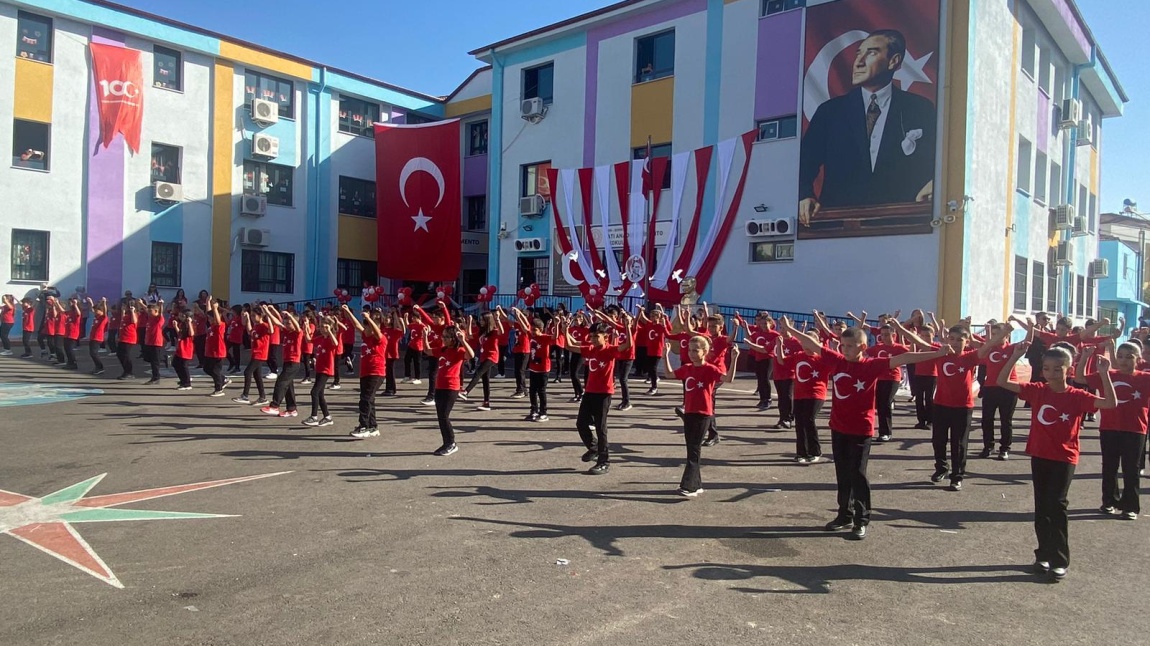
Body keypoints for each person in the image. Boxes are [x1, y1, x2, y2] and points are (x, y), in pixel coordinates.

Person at [779, 316, 948, 540]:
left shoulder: (872, 366)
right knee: (842, 474)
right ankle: (844, 515)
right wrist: (790, 329)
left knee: (858, 474)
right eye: (842, 345)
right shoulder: (837, 360)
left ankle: (861, 519)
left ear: (863, 347)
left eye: (850, 346)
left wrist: (938, 353)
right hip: (838, 427)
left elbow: (905, 357)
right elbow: (813, 344)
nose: (845, 349)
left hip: (861, 429)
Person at [996, 341, 1116, 582]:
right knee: (1042, 506)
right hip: (1040, 455)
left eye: (1058, 368)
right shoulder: (1038, 390)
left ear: (1069, 371)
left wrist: (1104, 375)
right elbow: (1002, 382)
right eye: (1047, 368)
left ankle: (1059, 560)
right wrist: (1014, 357)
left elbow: (1110, 403)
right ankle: (1043, 555)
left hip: (1064, 457)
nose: (1051, 373)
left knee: (1057, 504)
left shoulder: (1078, 396)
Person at [798, 29, 937, 226]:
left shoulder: (919, 108)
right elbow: (804, 163)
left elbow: (937, 160)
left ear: (893, 61)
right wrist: (805, 196)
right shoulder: (830, 112)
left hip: (901, 225)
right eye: (858, 53)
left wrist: (935, 184)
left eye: (871, 53)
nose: (858, 62)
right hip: (837, 226)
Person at [1074, 341, 1150, 521]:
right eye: (1121, 356)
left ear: (1138, 359)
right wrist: (1085, 357)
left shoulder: (1145, 378)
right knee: (1109, 467)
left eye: (1129, 357)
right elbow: (1079, 378)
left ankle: (1130, 507)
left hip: (1135, 429)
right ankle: (1109, 502)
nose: (1124, 360)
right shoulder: (1107, 375)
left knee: (1131, 469)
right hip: (1109, 428)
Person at [662, 334, 739, 496]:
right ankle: (696, 485)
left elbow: (728, 379)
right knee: (691, 449)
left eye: (696, 350)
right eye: (690, 350)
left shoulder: (710, 369)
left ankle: (689, 486)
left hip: (703, 414)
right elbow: (669, 374)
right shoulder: (687, 368)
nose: (691, 353)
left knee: (694, 450)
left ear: (705, 351)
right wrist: (665, 356)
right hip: (689, 413)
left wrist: (734, 359)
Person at [565, 320, 631, 474]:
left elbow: (627, 345)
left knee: (601, 428)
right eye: (592, 336)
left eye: (597, 336)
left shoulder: (610, 350)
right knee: (581, 423)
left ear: (605, 337)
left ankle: (604, 461)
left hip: (603, 393)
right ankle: (594, 447)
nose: (594, 339)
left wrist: (627, 326)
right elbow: (568, 346)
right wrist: (565, 329)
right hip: (589, 392)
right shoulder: (590, 349)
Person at [423, 322, 475, 456]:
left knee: (444, 416)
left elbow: (471, 355)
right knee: (441, 416)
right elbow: (427, 351)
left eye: (446, 337)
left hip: (451, 387)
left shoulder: (459, 351)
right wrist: (424, 336)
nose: (443, 339)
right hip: (439, 386)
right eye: (443, 336)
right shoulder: (443, 350)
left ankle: (451, 443)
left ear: (453, 339)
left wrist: (463, 340)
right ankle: (446, 442)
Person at [978, 320, 1026, 459]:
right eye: (993, 334)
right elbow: (972, 343)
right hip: (990, 388)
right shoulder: (988, 349)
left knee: (1006, 420)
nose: (996, 337)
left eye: (999, 334)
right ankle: (988, 446)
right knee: (987, 419)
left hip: (1008, 388)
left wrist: (1029, 327)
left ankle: (1004, 448)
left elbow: (1028, 339)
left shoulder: (1011, 348)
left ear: (1006, 336)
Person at [343, 304, 385, 438]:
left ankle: (364, 426)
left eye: (367, 327)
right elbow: (356, 325)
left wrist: (369, 318)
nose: (365, 330)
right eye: (365, 327)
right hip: (365, 373)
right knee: (370, 400)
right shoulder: (366, 337)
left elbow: (377, 332)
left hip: (376, 373)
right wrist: (348, 312)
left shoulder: (380, 339)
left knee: (365, 399)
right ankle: (373, 426)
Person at [864, 324, 910, 442]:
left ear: (893, 335)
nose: (883, 337)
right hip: (879, 378)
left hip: (892, 378)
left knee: (885, 403)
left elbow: (912, 353)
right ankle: (877, 430)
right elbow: (864, 353)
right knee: (879, 404)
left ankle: (886, 432)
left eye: (886, 334)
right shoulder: (877, 347)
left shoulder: (898, 348)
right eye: (882, 335)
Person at [512, 307, 555, 422]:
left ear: (540, 329)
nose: (532, 332)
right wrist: (518, 314)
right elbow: (524, 327)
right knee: (532, 391)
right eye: (532, 330)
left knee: (541, 391)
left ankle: (543, 412)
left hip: (543, 369)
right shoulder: (531, 335)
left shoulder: (545, 338)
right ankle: (533, 410)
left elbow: (555, 337)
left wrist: (558, 324)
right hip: (533, 368)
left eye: (535, 330)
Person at [461, 309, 506, 411]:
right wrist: (469, 322)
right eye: (480, 320)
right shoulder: (481, 332)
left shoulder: (493, 332)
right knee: (485, 380)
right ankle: (486, 402)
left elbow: (501, 331)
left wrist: (498, 319)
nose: (481, 322)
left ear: (488, 320)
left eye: (483, 320)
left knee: (478, 373)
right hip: (483, 356)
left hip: (492, 357)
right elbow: (469, 336)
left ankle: (466, 391)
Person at [261, 307, 302, 418]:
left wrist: (289, 315)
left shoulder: (297, 333)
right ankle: (292, 409)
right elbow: (277, 323)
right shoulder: (286, 331)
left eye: (289, 323)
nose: (287, 325)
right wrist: (268, 312)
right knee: (288, 386)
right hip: (287, 362)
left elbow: (297, 326)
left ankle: (274, 406)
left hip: (294, 362)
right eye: (286, 323)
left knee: (281, 382)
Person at [302, 314, 337, 427]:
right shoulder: (320, 339)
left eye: (325, 327)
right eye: (321, 326)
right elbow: (308, 340)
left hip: (326, 370)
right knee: (320, 394)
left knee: (314, 392)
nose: (322, 329)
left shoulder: (331, 339)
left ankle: (314, 416)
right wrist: (306, 327)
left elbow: (335, 343)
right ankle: (327, 417)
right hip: (319, 368)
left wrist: (330, 331)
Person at [233, 305, 271, 405]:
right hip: (255, 353)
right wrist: (247, 319)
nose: (253, 318)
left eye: (254, 316)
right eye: (252, 316)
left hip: (260, 353)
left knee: (247, 372)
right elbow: (250, 332)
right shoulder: (256, 326)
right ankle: (262, 397)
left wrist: (268, 314)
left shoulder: (264, 326)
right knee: (257, 375)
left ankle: (245, 395)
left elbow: (271, 331)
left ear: (260, 316)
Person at [202, 298, 228, 397]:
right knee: (206, 369)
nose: (209, 320)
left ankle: (219, 389)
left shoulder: (220, 326)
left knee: (215, 370)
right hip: (210, 352)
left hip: (218, 351)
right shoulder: (211, 326)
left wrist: (215, 308)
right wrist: (208, 302)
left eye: (210, 318)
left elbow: (217, 320)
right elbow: (209, 313)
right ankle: (223, 379)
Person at [142, 300, 166, 384]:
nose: (148, 312)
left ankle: (156, 378)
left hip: (156, 343)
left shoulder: (158, 319)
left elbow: (160, 313)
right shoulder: (150, 318)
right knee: (148, 358)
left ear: (156, 311)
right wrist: (141, 304)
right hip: (149, 343)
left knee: (154, 362)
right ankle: (163, 359)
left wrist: (160, 305)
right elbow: (146, 309)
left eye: (150, 311)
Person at [171, 311, 195, 390]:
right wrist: (176, 327)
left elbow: (191, 334)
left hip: (186, 348)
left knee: (184, 366)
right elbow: (180, 334)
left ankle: (187, 383)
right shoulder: (182, 324)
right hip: (180, 347)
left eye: (183, 316)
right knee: (175, 363)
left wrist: (189, 323)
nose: (180, 317)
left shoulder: (190, 325)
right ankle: (182, 380)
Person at [85, 297, 108, 376]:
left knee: (94, 353)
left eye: (96, 311)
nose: (94, 312)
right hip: (92, 337)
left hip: (97, 338)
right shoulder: (96, 317)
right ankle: (97, 367)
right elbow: (92, 309)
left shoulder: (103, 318)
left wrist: (104, 303)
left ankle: (100, 367)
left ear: (100, 311)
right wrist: (91, 302)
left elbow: (105, 311)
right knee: (92, 353)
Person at [116, 300, 138, 380]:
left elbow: (134, 321)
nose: (123, 306)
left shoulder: (133, 314)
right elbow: (122, 321)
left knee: (126, 355)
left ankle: (129, 372)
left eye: (124, 305)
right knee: (119, 354)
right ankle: (126, 371)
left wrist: (132, 311)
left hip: (129, 338)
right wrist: (123, 311)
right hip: (122, 338)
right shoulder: (125, 315)